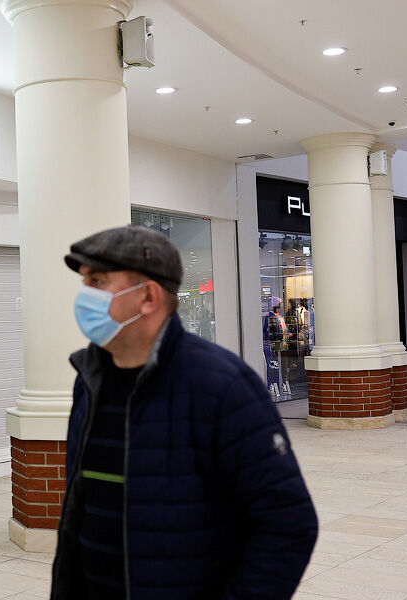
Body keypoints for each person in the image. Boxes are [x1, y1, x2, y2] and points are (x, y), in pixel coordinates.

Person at [52, 225, 318, 600]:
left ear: (148, 297)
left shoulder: (223, 386)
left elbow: (289, 525)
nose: (84, 295)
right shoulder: (90, 380)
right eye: (84, 281)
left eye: (97, 281)